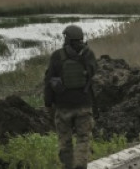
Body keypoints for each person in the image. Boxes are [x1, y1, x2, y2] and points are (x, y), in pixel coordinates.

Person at [44, 24, 98, 169]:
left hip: (63, 107)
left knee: (65, 140)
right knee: (83, 138)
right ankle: (80, 165)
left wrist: (48, 103)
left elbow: (49, 81)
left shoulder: (57, 56)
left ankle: (68, 166)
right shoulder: (89, 54)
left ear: (67, 38)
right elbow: (93, 74)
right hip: (84, 104)